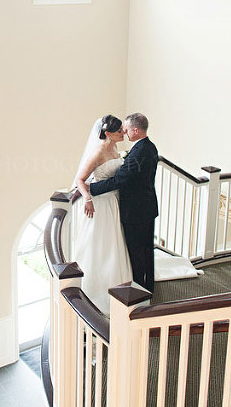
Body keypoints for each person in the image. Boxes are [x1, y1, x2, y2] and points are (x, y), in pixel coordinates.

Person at [89, 113, 158, 293]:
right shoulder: (150, 147)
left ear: (136, 130)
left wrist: (92, 189)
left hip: (135, 210)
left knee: (136, 252)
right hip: (147, 206)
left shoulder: (139, 151)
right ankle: (149, 284)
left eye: (126, 129)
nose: (125, 132)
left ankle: (139, 290)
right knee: (147, 249)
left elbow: (120, 180)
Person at [72, 115, 133, 314]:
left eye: (123, 129)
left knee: (115, 245)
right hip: (100, 205)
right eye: (118, 131)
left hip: (113, 202)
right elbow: (80, 180)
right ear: (107, 134)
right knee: (101, 247)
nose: (123, 132)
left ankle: (120, 288)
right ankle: (96, 294)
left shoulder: (116, 148)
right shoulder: (98, 152)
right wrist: (87, 200)